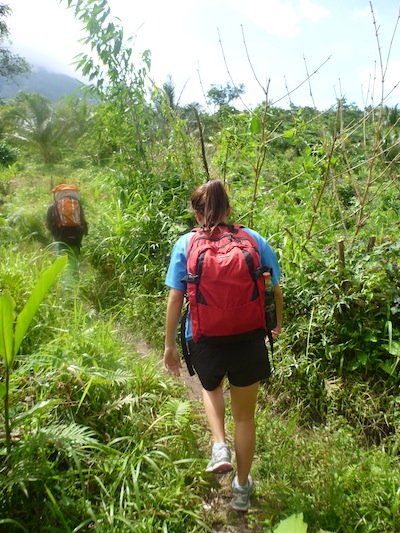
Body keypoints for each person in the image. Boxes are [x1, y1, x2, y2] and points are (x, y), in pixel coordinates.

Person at [163, 180, 283, 512]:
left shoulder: (186, 244)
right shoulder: (253, 239)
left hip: (203, 338)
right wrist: (275, 324)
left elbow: (175, 297)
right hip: (249, 337)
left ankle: (219, 446)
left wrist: (169, 346)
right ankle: (242, 489)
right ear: (230, 210)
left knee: (210, 387)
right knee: (245, 419)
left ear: (195, 212)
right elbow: (273, 285)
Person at [46, 183, 88, 282]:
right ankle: (75, 284)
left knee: (62, 260)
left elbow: (47, 223)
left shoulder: (52, 207)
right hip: (76, 237)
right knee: (74, 260)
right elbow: (82, 220)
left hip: (60, 236)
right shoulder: (77, 205)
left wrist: (53, 231)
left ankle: (65, 286)